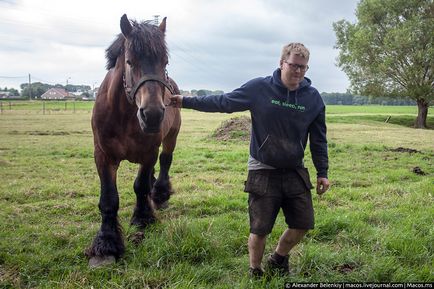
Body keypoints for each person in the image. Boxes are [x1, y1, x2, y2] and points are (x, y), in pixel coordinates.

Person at [169, 43, 330, 277]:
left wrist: (322, 172)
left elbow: (318, 139)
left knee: (303, 223)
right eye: (293, 65)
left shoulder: (313, 98)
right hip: (262, 168)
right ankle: (255, 269)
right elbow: (224, 102)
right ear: (282, 62)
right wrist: (185, 101)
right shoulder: (259, 88)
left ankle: (278, 258)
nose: (298, 71)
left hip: (295, 169)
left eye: (303, 67)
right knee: (260, 227)